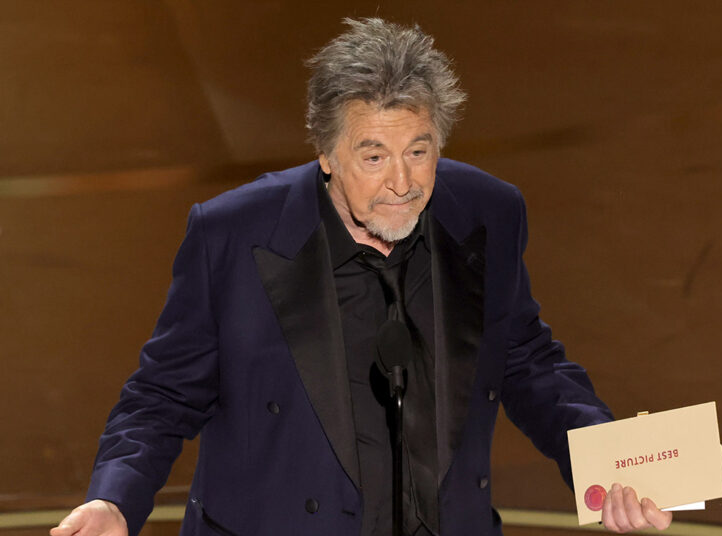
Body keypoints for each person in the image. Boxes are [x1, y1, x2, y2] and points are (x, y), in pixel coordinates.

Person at [52, 18, 673, 536]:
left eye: (419, 151)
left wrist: (605, 456)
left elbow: (528, 361)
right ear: (326, 154)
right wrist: (115, 498)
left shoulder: (488, 213)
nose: (402, 182)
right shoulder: (233, 235)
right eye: (373, 156)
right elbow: (164, 393)